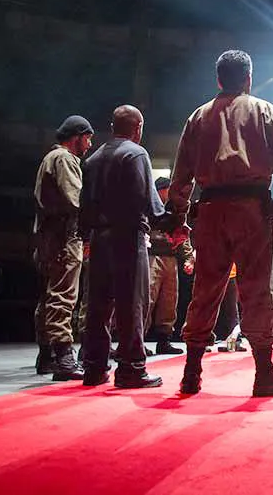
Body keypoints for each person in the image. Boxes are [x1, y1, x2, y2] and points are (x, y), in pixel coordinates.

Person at [168, 49, 273, 397]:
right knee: (257, 291)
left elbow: (181, 175)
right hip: (252, 209)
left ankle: (191, 374)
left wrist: (177, 216)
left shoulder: (198, 117)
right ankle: (264, 374)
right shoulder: (264, 110)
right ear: (249, 78)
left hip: (209, 209)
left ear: (218, 79)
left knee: (206, 290)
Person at [79, 105, 166, 388]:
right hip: (128, 236)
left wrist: (85, 238)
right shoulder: (136, 154)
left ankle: (94, 368)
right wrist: (173, 223)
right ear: (138, 127)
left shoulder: (91, 159)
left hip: (98, 237)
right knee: (131, 304)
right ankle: (131, 368)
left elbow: (84, 205)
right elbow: (151, 204)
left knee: (98, 305)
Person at [32, 115, 93, 380]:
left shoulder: (50, 157)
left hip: (48, 236)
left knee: (48, 297)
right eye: (88, 138)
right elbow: (76, 200)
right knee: (63, 295)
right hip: (63, 236)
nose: (89, 145)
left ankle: (46, 356)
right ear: (77, 136)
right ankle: (64, 359)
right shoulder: (64, 159)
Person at [146, 177, 193, 355]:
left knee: (169, 301)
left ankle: (164, 340)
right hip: (152, 256)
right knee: (148, 299)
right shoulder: (150, 206)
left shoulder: (174, 209)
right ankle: (138, 339)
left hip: (170, 258)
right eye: (167, 190)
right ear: (160, 190)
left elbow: (183, 234)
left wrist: (188, 257)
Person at [216, 264, 247, 352]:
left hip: (232, 274)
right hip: (215, 274)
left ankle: (235, 341)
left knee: (232, 309)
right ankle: (203, 342)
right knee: (210, 309)